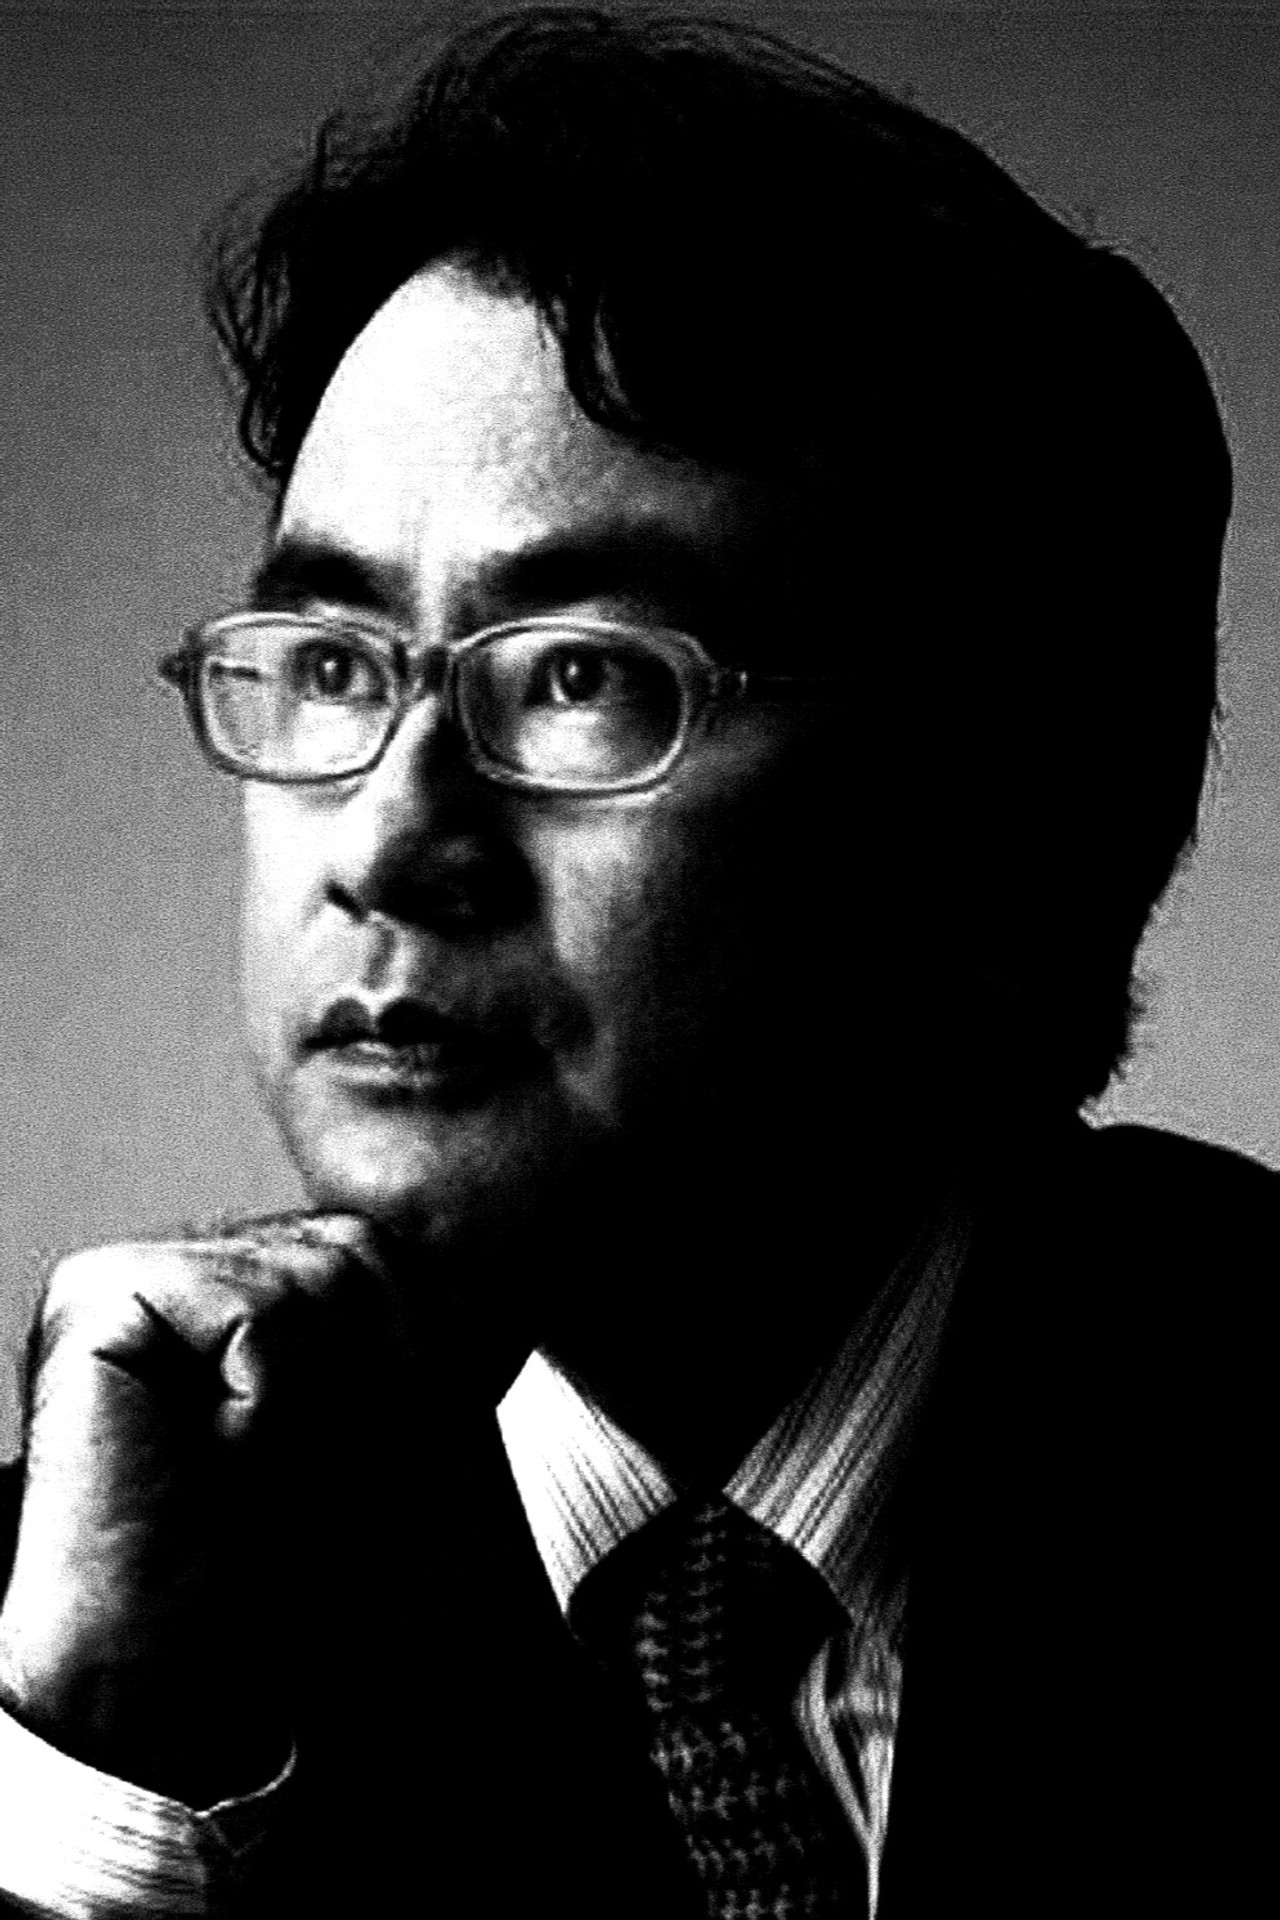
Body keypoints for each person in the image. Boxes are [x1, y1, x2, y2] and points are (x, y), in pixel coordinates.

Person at [0, 8, 1273, 1915]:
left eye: (582, 677)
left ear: (1010, 815)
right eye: (333, 664)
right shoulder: (81, 1644)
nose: (388, 842)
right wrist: (114, 1801)